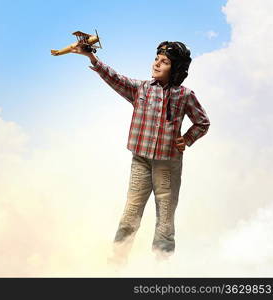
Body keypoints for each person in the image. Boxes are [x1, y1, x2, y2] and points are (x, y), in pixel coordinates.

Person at [71, 41, 210, 264]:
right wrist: (93, 60)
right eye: (157, 58)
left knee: (165, 216)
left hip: (168, 164)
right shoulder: (141, 89)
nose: (157, 63)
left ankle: (162, 264)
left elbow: (202, 122)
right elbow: (116, 79)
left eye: (164, 62)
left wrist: (187, 139)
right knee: (131, 211)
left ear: (176, 69)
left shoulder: (184, 95)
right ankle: (117, 260)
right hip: (141, 160)